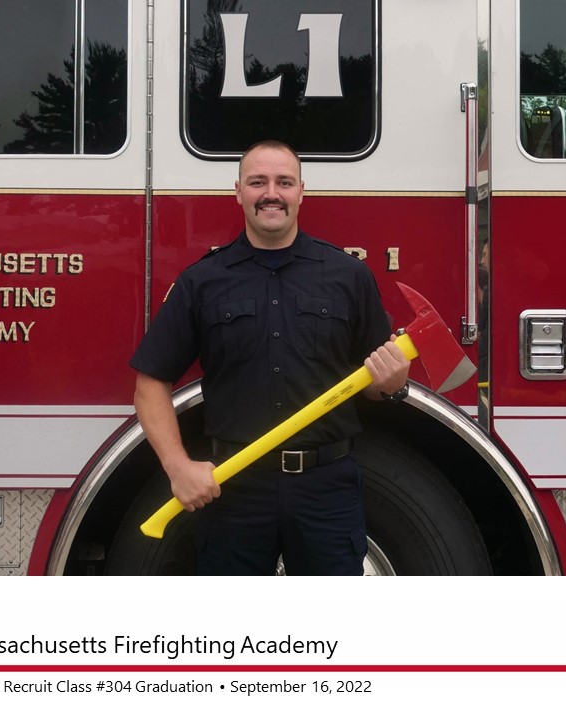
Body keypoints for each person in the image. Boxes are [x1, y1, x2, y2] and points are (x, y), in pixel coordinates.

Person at [130, 140, 410, 575]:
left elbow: (374, 383)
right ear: (238, 191)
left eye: (284, 182)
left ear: (302, 192)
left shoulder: (349, 276)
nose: (271, 193)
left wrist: (392, 385)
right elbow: (149, 384)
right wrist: (178, 467)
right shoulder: (202, 282)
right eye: (257, 182)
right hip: (234, 488)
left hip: (327, 488)